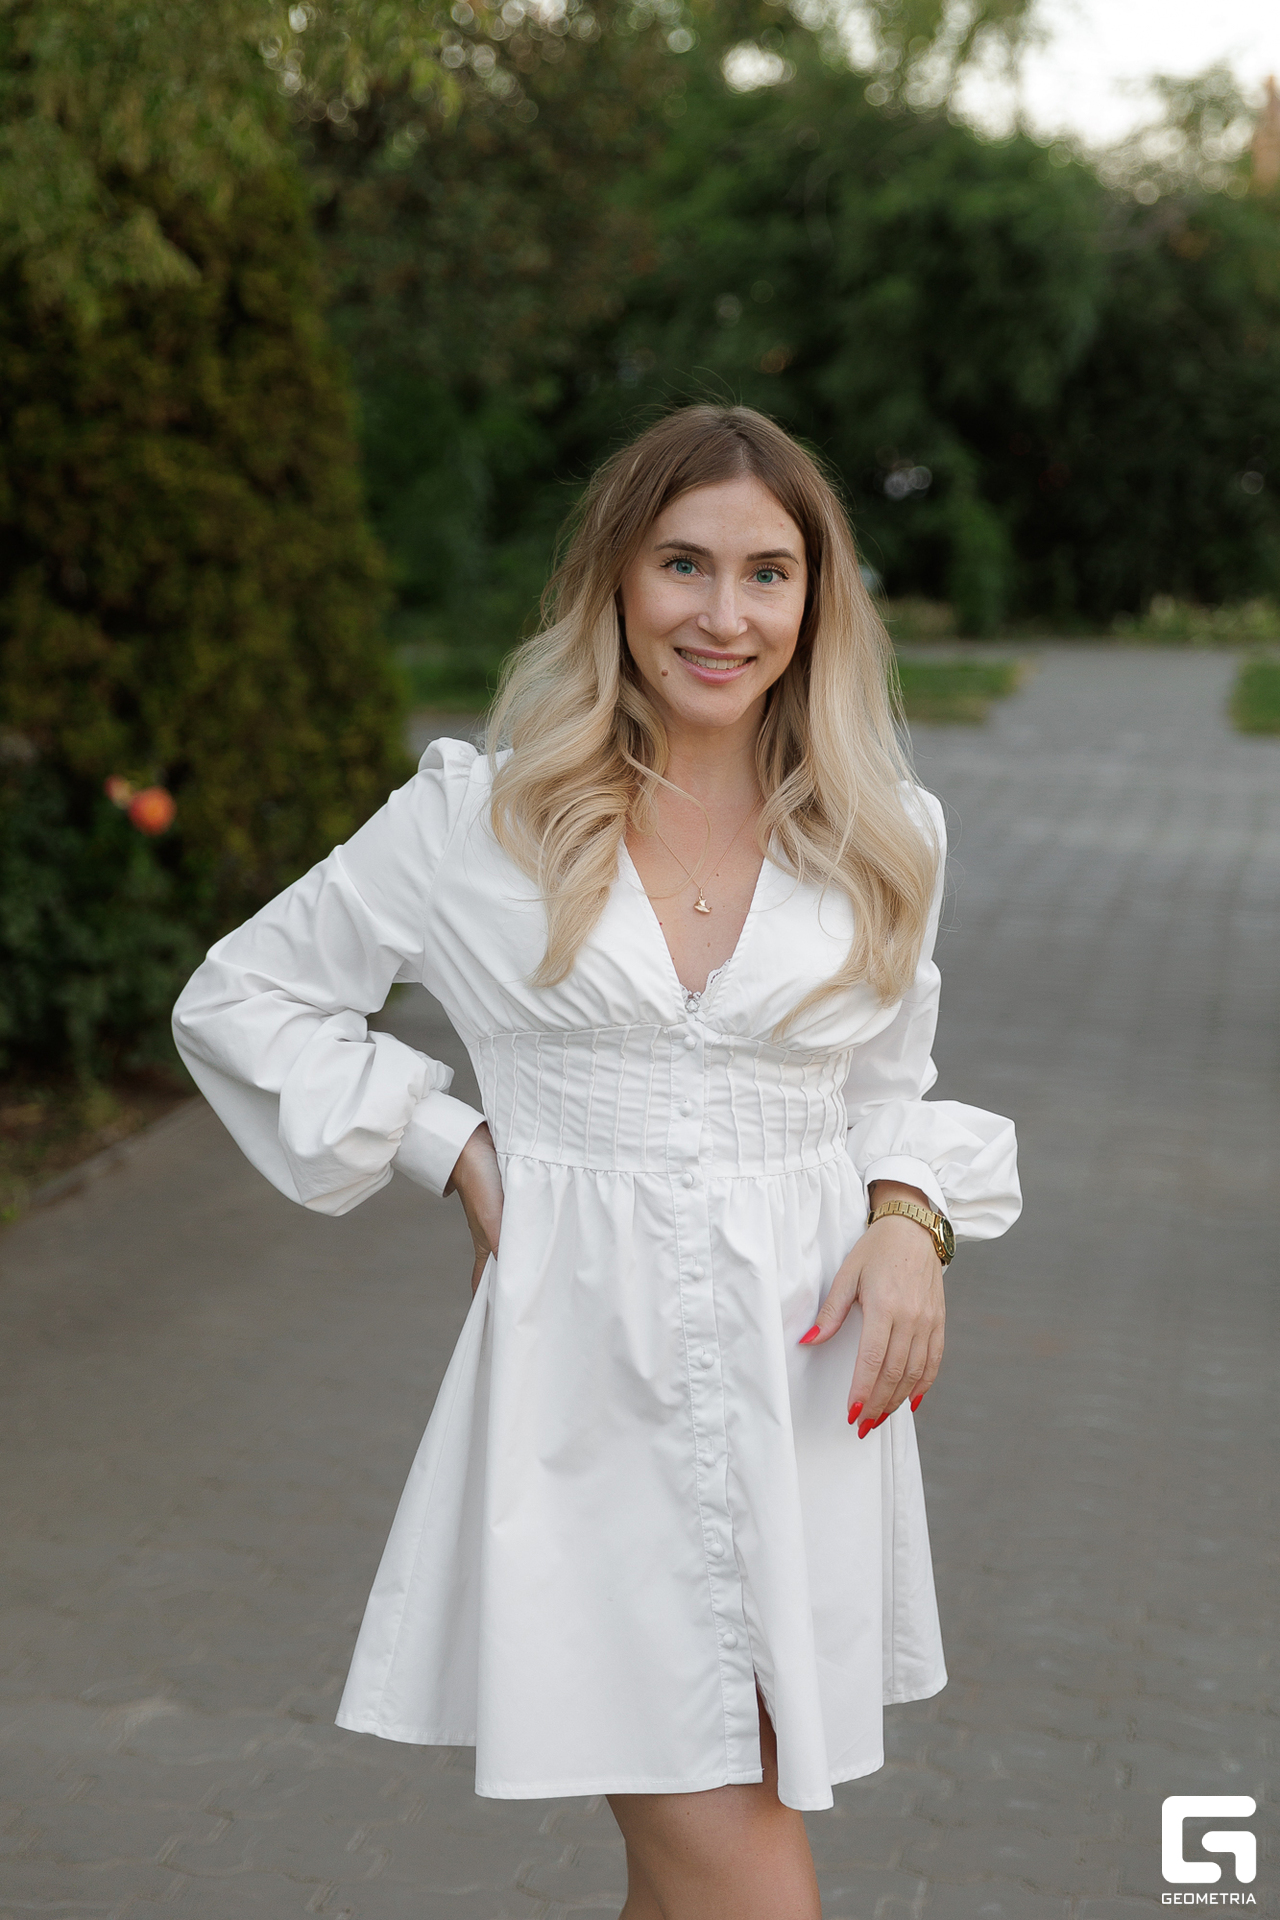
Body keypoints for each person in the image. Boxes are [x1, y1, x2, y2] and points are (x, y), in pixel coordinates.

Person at [172, 404, 1021, 1919]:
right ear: (614, 580)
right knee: (748, 1880)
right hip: (590, 1387)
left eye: (767, 573)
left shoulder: (886, 832)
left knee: (699, 1860)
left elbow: (891, 1090)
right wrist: (450, 1144)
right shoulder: (479, 820)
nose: (723, 614)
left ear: (816, 602)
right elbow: (240, 999)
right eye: (683, 563)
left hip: (807, 1397)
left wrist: (910, 1218)